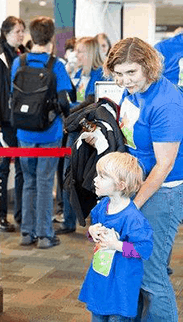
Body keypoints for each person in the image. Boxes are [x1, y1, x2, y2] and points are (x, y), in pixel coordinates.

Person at [95, 37, 183, 321]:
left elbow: (165, 164)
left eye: (131, 72)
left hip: (163, 193)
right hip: (136, 187)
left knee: (150, 272)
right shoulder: (132, 93)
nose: (124, 80)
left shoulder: (166, 101)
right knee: (131, 266)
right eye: (118, 74)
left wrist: (133, 205)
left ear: (148, 67)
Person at [11, 16, 73, 249]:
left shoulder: (20, 62)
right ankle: (45, 235)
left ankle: (27, 233)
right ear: (52, 38)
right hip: (50, 131)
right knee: (46, 182)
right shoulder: (55, 65)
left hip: (24, 132)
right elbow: (64, 100)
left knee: (29, 181)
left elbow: (13, 95)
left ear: (31, 36)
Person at [79, 152, 153, 321]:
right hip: (101, 276)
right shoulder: (103, 205)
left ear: (120, 185)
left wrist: (117, 245)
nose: (95, 179)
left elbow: (144, 249)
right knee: (97, 315)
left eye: (102, 176)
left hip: (122, 284)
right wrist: (92, 231)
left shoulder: (134, 219)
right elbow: (96, 233)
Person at [56, 36, 107, 235]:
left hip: (89, 134)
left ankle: (94, 221)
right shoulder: (77, 73)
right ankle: (68, 221)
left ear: (91, 53)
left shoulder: (99, 75)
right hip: (73, 131)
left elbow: (93, 105)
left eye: (80, 51)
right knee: (69, 176)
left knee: (90, 178)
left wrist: (73, 114)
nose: (76, 55)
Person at [0, 16, 26, 232]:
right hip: (2, 124)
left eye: (22, 31)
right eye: (17, 31)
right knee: (1, 170)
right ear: (6, 33)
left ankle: (20, 215)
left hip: (20, 122)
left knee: (21, 169)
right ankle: (0, 216)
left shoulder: (23, 54)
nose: (21, 35)